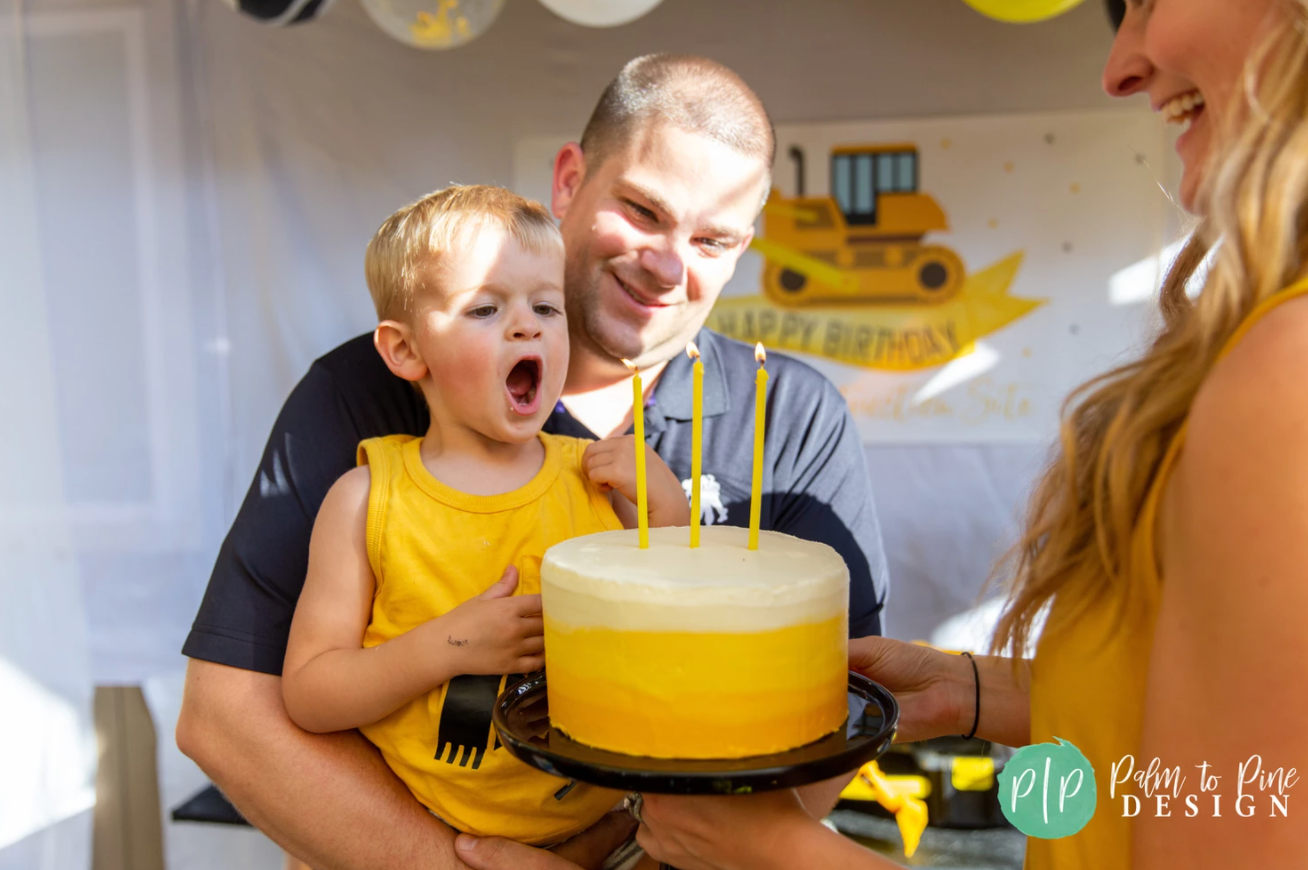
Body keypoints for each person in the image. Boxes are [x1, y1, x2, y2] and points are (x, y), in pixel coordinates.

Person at [450, 1, 1308, 868]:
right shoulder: (1267, 348)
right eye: (643, 210)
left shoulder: (1286, 367)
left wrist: (788, 854)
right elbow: (1191, 740)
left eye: (1154, 0)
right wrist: (986, 692)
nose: (1120, 63)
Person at [176, 54, 889, 870]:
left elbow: (818, 716)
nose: (666, 264)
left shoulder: (791, 420)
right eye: (643, 211)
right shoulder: (360, 400)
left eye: (713, 239)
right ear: (569, 179)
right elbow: (228, 715)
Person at [280, 185, 690, 860]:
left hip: (607, 839)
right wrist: (454, 645)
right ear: (407, 352)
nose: (527, 326)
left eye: (547, 307)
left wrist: (666, 515)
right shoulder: (365, 499)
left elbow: (671, 642)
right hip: (414, 840)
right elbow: (310, 694)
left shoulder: (603, 477)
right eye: (485, 308)